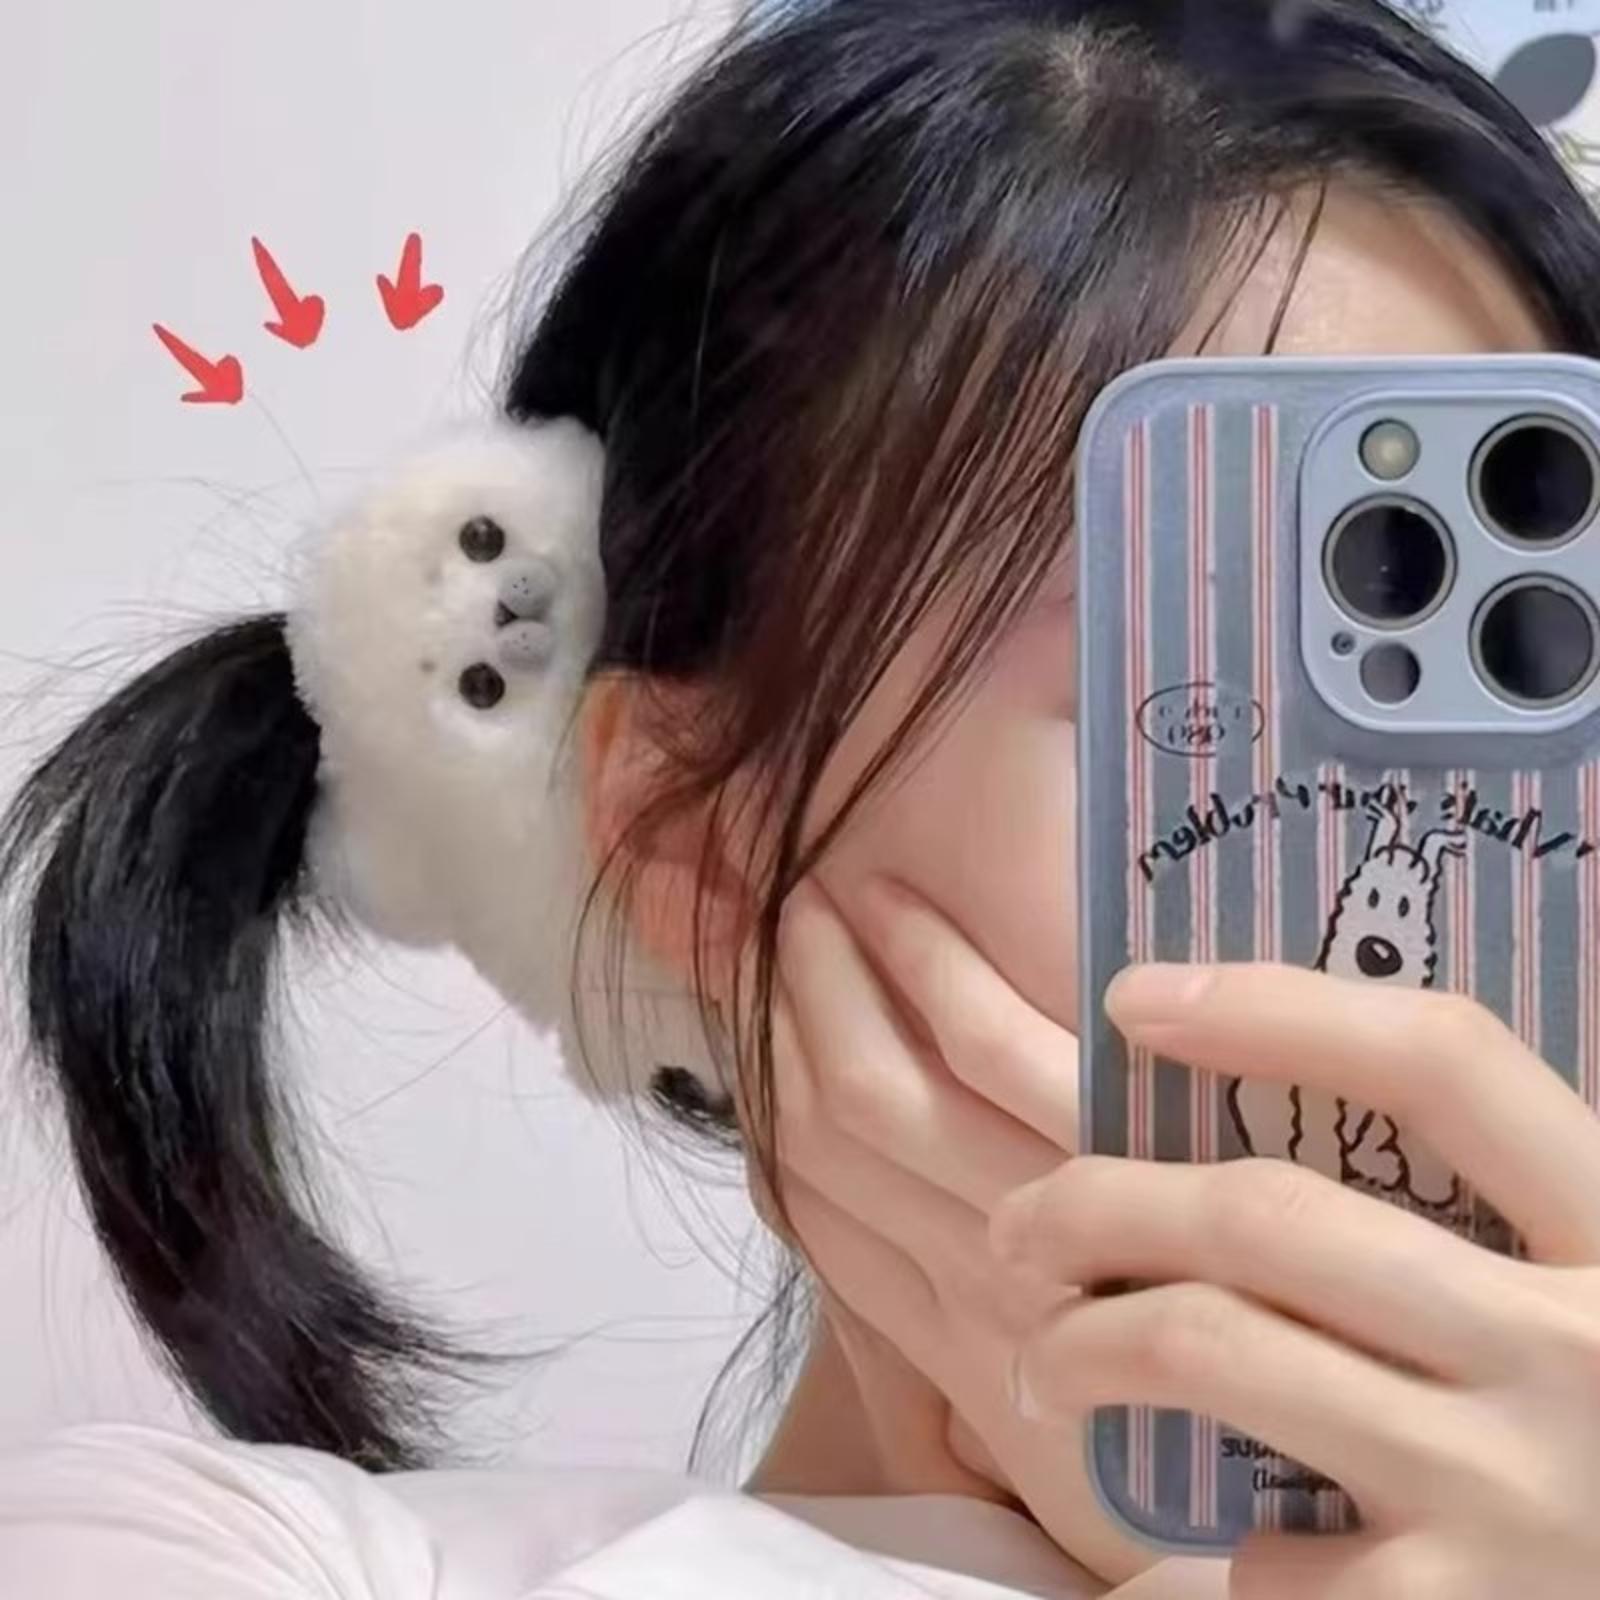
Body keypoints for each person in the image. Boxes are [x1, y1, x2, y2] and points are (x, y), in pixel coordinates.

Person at [4, 2, 1600, 1595]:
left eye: (1531, 686)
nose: (1430, 855)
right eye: (1217, 713)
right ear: (700, 848)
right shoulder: (243, 1559)